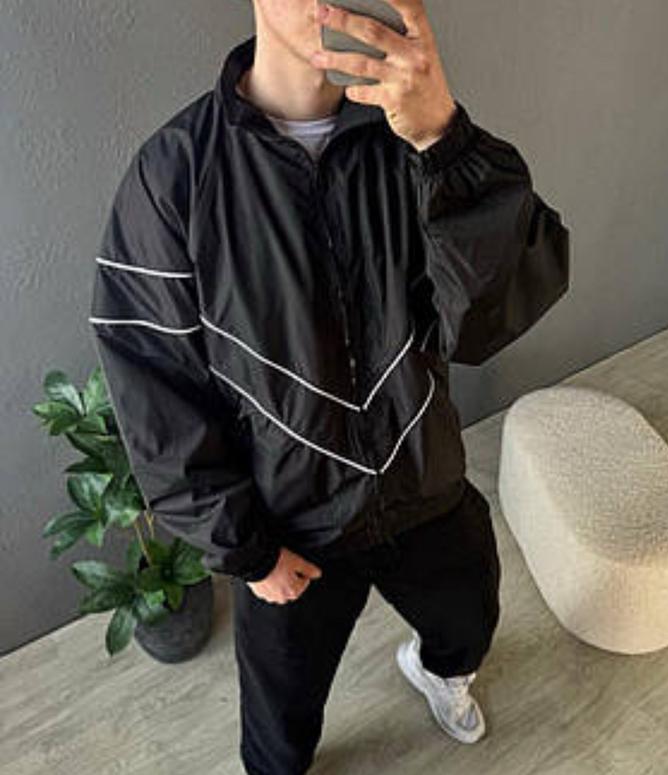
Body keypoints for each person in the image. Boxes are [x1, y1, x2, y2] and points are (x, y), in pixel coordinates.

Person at [89, 1, 570, 772]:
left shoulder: (413, 137)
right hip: (291, 523)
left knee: (468, 623)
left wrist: (446, 144)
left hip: (425, 482)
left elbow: (491, 321)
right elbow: (153, 382)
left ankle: (439, 673)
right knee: (280, 724)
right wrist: (246, 549)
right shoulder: (175, 176)